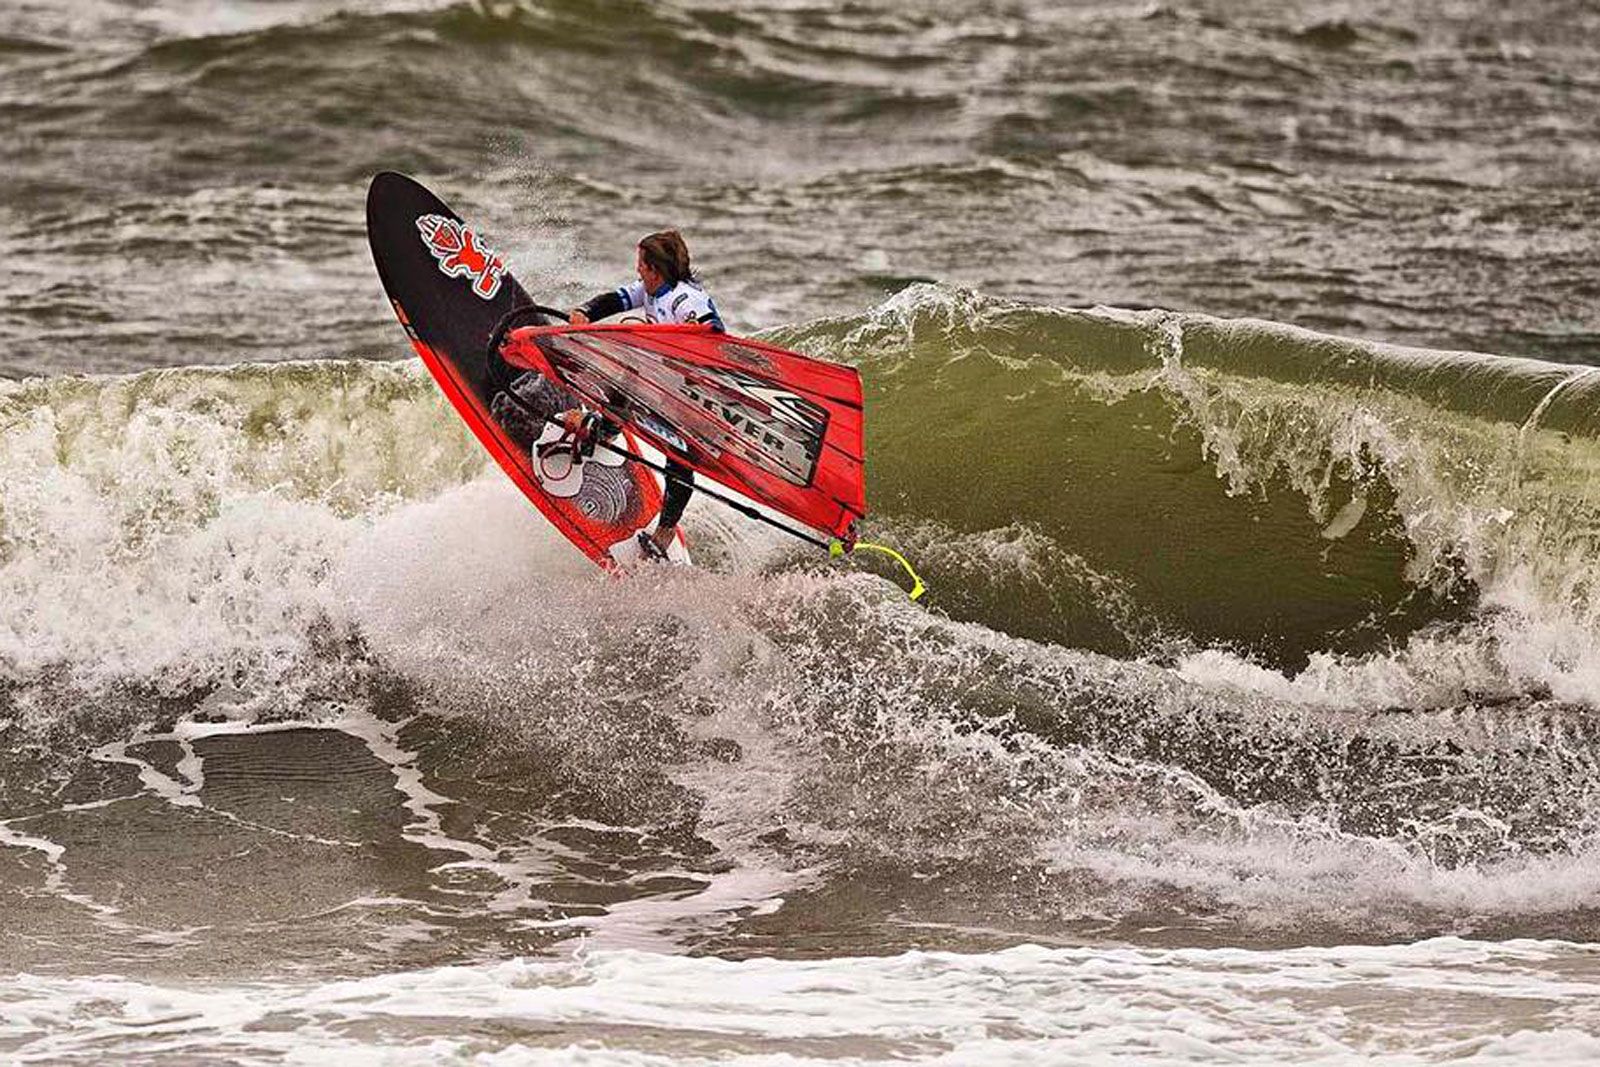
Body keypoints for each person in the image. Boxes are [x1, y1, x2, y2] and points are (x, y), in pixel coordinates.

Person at [561, 230, 723, 560]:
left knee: (678, 459)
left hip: (693, 394)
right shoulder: (651, 291)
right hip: (664, 382)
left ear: (654, 269)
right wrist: (585, 312)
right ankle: (601, 432)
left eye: (641, 265)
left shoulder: (686, 300)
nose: (637, 271)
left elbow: (715, 336)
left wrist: (678, 344)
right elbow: (617, 300)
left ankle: (664, 533)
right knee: (621, 384)